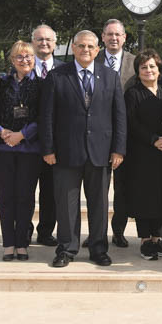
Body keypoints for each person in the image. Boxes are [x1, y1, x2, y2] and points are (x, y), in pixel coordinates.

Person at [40, 30, 126, 268]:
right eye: (81, 46)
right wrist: (48, 148)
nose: (86, 50)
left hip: (101, 151)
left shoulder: (110, 76)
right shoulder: (57, 76)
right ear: (73, 48)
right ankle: (66, 249)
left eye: (90, 46)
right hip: (66, 152)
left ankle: (98, 248)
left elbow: (119, 115)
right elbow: (47, 116)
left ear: (97, 50)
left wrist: (119, 149)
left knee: (99, 204)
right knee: (67, 204)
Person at [121, 50, 162, 261]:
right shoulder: (132, 94)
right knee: (144, 198)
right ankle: (145, 241)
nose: (148, 70)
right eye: (143, 67)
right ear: (138, 71)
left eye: (152, 66)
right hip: (142, 155)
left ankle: (159, 239)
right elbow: (131, 123)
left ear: (159, 69)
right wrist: (153, 139)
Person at [0, 41, 42, 261]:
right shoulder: (0, 84)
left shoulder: (43, 85)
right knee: (6, 197)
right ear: (12, 60)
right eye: (19, 57)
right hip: (3, 147)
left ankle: (22, 243)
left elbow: (44, 116)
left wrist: (22, 135)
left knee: (25, 197)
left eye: (28, 56)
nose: (24, 60)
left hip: (29, 149)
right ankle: (8, 243)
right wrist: (1, 132)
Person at [101, 18, 136, 247]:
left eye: (118, 34)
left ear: (124, 38)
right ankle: (97, 233)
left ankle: (118, 231)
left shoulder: (136, 62)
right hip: (97, 134)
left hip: (127, 135)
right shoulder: (90, 59)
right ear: (102, 37)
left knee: (122, 188)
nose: (114, 38)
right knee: (98, 189)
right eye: (109, 34)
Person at [30, 24, 60, 247]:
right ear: (32, 42)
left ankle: (46, 231)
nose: (44, 43)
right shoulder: (22, 67)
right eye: (39, 39)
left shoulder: (65, 70)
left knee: (50, 192)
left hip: (55, 142)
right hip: (26, 142)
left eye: (48, 40)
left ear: (55, 44)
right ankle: (23, 231)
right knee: (25, 191)